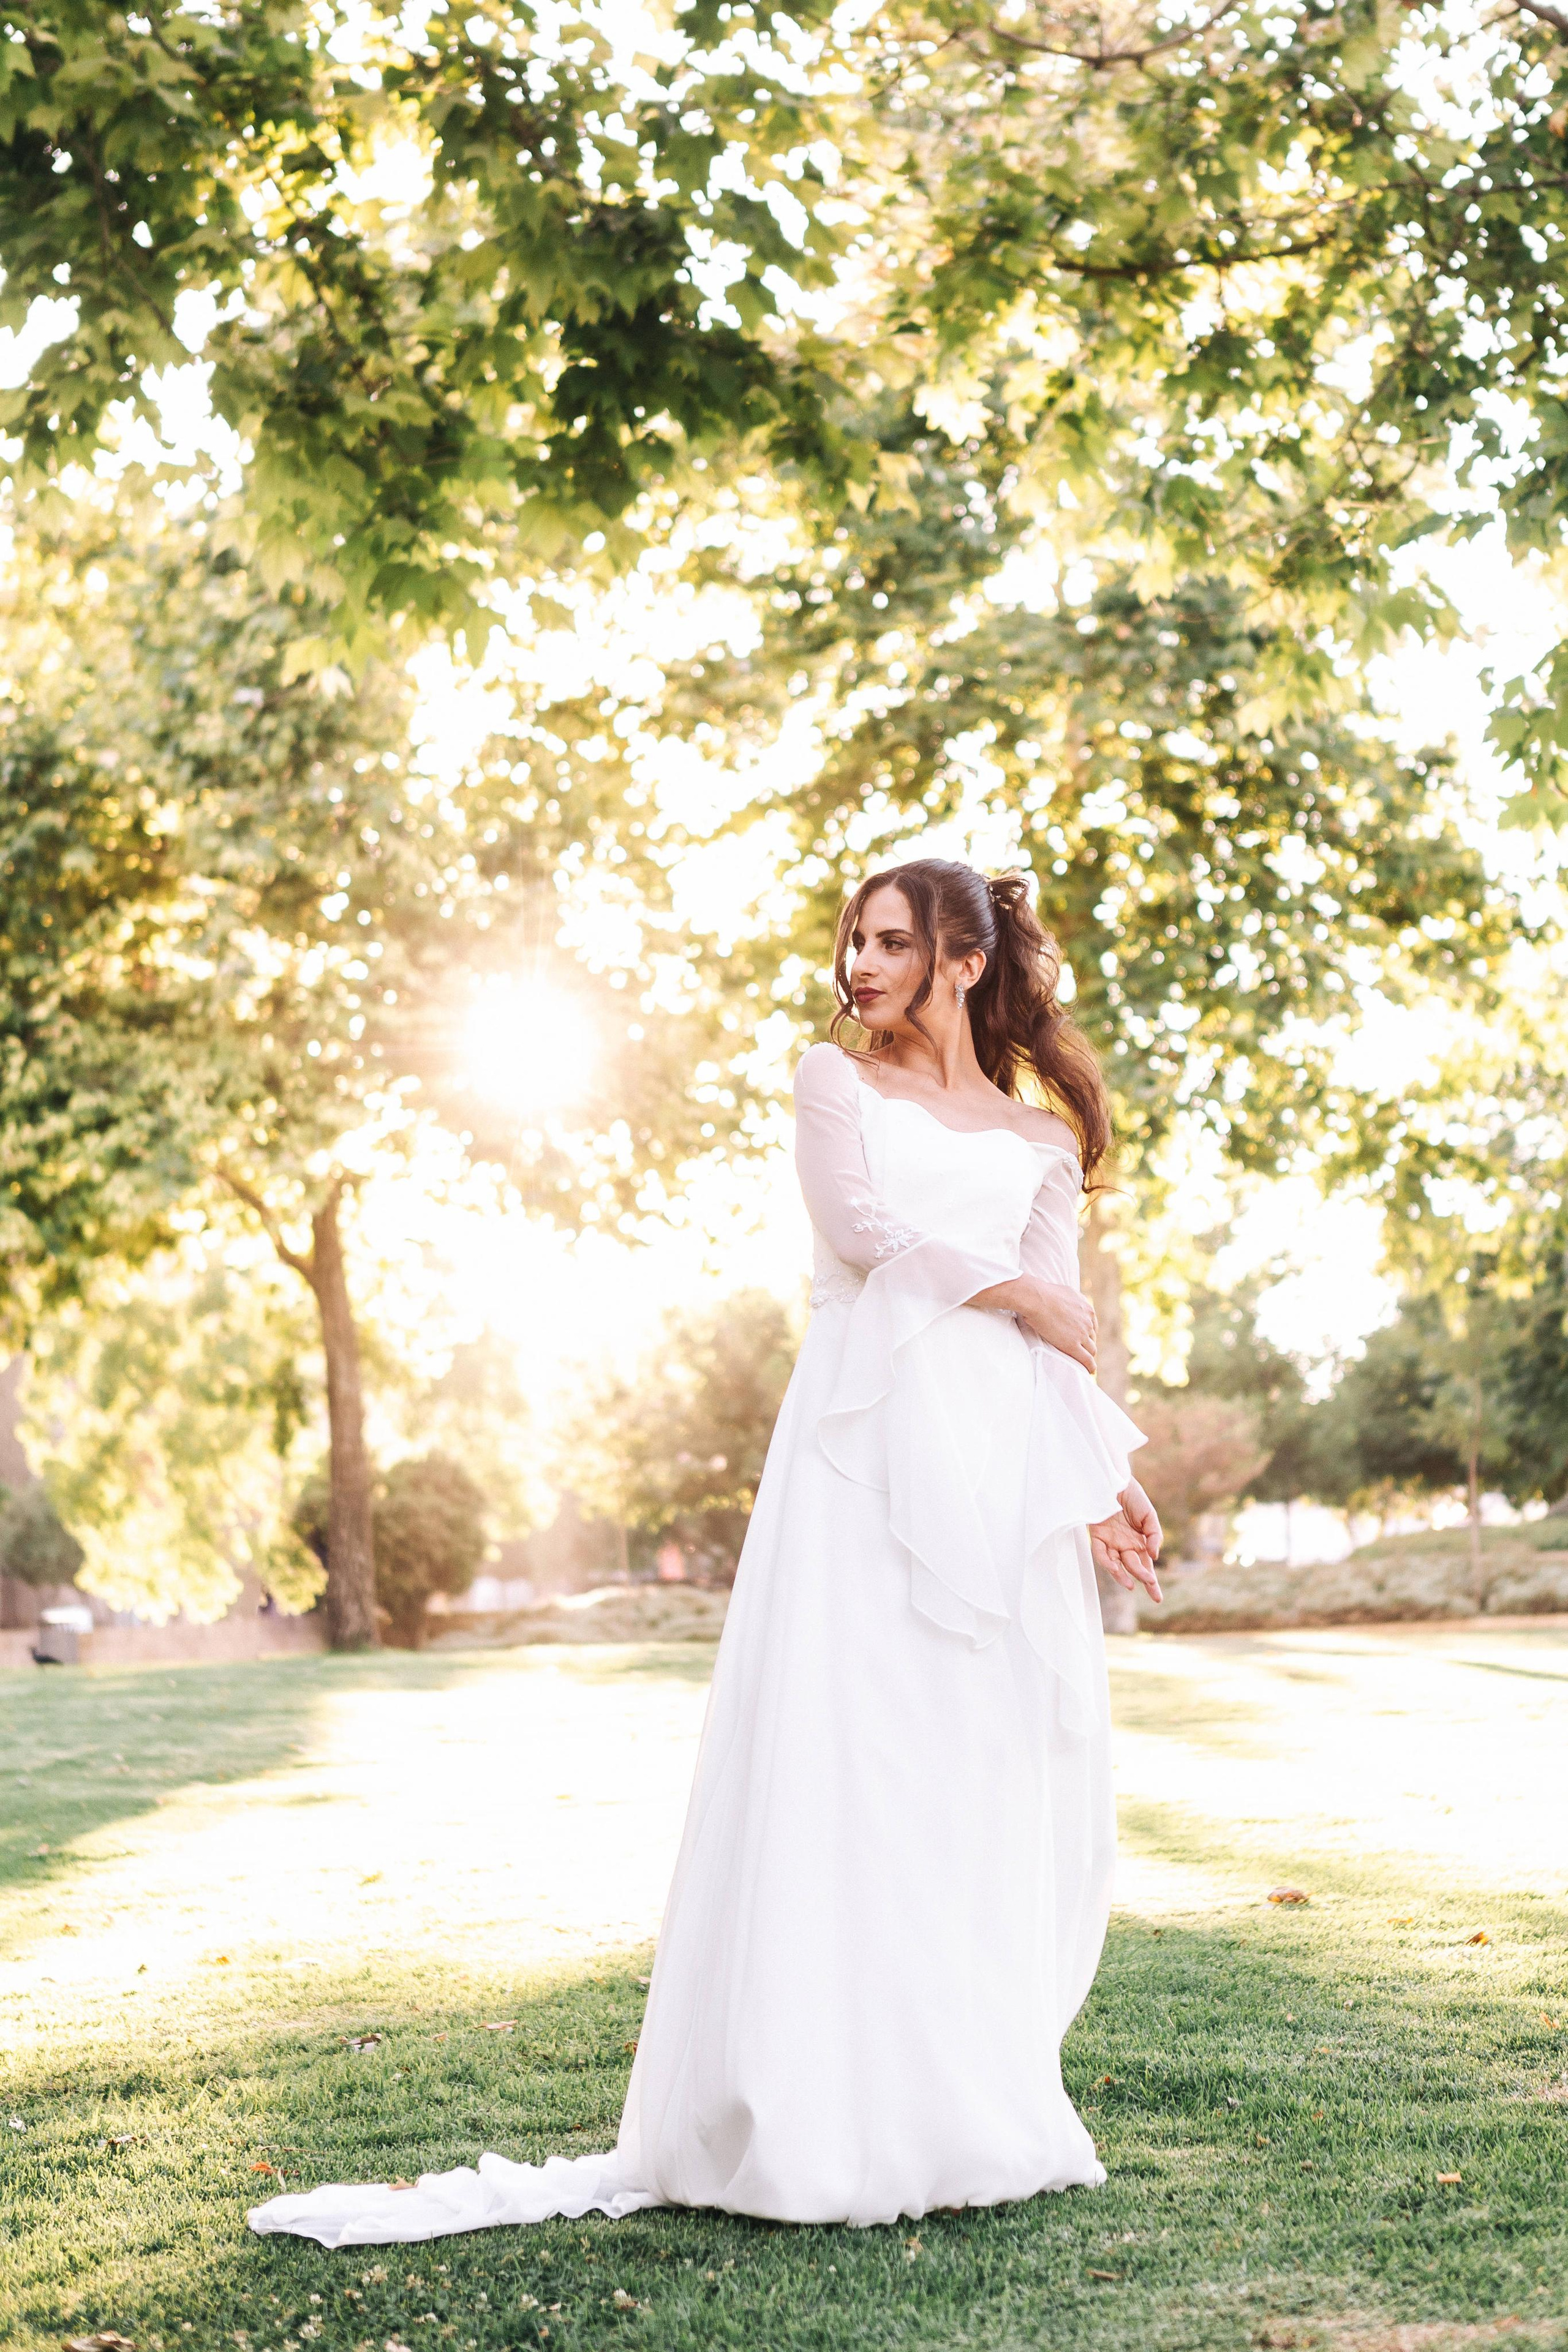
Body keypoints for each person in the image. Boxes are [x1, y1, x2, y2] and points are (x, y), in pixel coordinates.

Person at [249, 857, 1163, 2250]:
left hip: (991, 1477)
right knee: (851, 1760)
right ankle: (809, 2113)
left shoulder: (1041, 1145)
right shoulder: (830, 1083)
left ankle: (963, 2105)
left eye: (890, 942)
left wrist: (1103, 1486)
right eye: (853, 941)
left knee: (970, 1771)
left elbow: (1060, 1343)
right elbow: (861, 1237)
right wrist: (1021, 1290)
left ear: (965, 963)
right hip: (860, 1455)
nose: (857, 966)